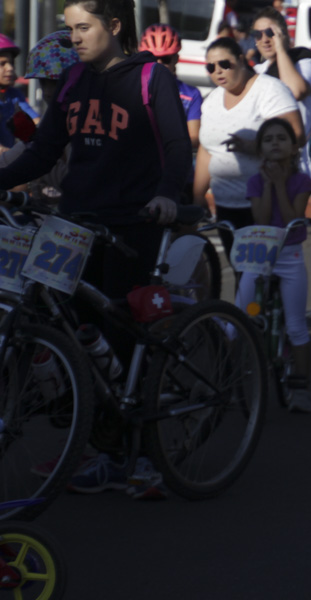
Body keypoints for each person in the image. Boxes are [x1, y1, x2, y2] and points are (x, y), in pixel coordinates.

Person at [0, 0, 192, 499]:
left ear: (113, 25)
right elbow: (42, 152)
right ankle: (99, 438)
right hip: (75, 222)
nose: (74, 38)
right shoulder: (74, 82)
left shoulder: (152, 79)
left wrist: (167, 195)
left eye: (82, 28)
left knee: (122, 332)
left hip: (133, 222)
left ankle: (140, 453)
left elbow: (177, 149)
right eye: (69, 29)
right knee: (66, 324)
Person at [194, 37, 303, 259]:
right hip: (225, 206)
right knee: (240, 273)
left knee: (260, 276)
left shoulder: (269, 90)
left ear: (242, 60)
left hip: (265, 203)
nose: (218, 71)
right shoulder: (211, 101)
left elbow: (296, 136)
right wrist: (198, 196)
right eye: (210, 67)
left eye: (225, 64)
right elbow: (208, 150)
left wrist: (253, 147)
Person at [237, 117, 311, 411]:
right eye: (268, 139)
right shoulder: (255, 181)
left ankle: (302, 388)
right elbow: (261, 219)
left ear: (294, 147)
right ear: (260, 149)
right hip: (259, 256)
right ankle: (235, 381)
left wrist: (281, 184)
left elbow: (291, 220)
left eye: (281, 138)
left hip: (290, 254)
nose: (275, 143)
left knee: (296, 326)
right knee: (240, 319)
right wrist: (269, 185)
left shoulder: (302, 181)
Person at [0, 30, 80, 200]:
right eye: (44, 83)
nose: (49, 92)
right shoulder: (50, 127)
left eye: (57, 82)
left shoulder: (94, 127)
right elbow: (11, 160)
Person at [251, 7, 311, 184]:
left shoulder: (305, 63)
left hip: (297, 163)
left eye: (270, 33)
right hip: (262, 162)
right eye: (258, 35)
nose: (265, 40)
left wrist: (282, 51)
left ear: (284, 35)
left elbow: (295, 92)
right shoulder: (258, 72)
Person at [139, 24, 203, 148]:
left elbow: (194, 138)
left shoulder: (191, 94)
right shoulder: (133, 88)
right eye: (152, 59)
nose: (159, 64)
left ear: (176, 58)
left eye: (166, 59)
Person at [0, 34, 38, 154]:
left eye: (11, 63)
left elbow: (37, 122)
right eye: (2, 64)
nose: (10, 68)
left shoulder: (14, 95)